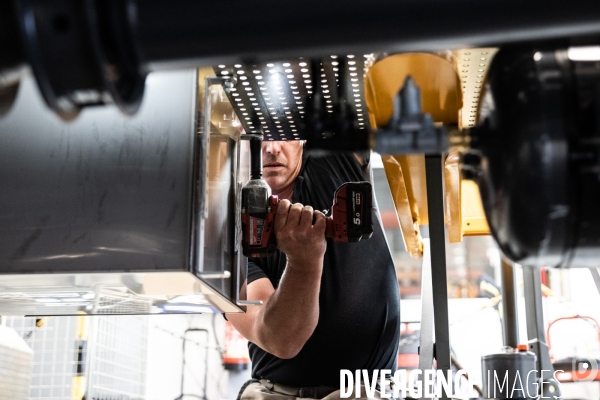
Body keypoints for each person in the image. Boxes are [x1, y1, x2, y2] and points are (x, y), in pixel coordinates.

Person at [226, 139, 400, 399]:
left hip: (363, 391)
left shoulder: (332, 156)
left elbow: (343, 103)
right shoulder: (228, 241)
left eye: (283, 134)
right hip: (276, 393)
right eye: (260, 139)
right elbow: (279, 339)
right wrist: (303, 261)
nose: (272, 148)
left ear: (302, 140)